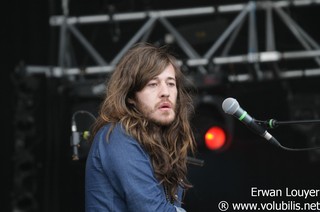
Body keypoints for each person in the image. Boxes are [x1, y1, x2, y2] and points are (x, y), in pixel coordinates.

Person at [85, 42, 196, 212]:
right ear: (131, 96)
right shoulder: (118, 136)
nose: (165, 92)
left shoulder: (167, 141)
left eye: (171, 83)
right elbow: (151, 209)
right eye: (153, 84)